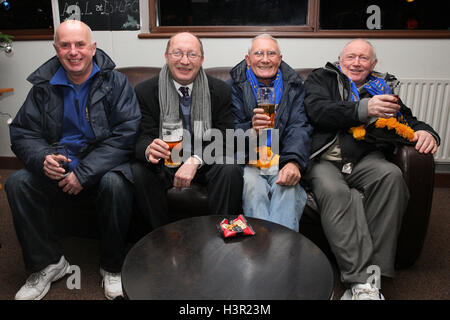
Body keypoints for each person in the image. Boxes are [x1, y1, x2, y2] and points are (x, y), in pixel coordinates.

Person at [5, 20, 141, 300]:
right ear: (56, 49)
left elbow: (126, 134)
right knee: (17, 182)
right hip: (59, 163)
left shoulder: (116, 83)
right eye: (65, 45)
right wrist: (43, 157)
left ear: (93, 48)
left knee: (117, 184)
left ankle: (112, 267)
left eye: (80, 44)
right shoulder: (43, 87)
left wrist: (84, 173)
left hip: (102, 165)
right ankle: (48, 264)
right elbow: (22, 132)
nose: (73, 51)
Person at [303, 39, 440, 300]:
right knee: (335, 191)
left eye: (363, 58)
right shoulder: (321, 78)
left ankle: (371, 283)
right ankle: (360, 280)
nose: (356, 63)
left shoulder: (381, 86)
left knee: (392, 176)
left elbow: (407, 118)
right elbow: (317, 111)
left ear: (373, 64)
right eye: (351, 57)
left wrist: (426, 131)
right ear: (340, 60)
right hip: (325, 159)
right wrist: (364, 108)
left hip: (365, 157)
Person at [131, 32, 243, 230]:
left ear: (201, 60)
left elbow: (226, 137)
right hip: (167, 160)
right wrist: (149, 148)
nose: (184, 61)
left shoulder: (219, 90)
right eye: (177, 53)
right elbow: (142, 136)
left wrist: (195, 160)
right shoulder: (145, 91)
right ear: (166, 56)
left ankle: (222, 239)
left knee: (230, 168)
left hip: (205, 159)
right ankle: (161, 237)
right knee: (140, 170)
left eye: (192, 55)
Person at [229, 34, 312, 231]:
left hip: (281, 157)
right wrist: (251, 130)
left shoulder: (294, 86)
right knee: (251, 187)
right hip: (250, 160)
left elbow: (299, 126)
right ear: (248, 59)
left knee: (288, 187)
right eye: (258, 53)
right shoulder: (233, 87)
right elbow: (228, 130)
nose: (265, 59)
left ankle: (274, 252)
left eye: (271, 53)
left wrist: (292, 161)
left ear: (280, 59)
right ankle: (268, 253)